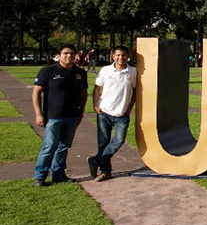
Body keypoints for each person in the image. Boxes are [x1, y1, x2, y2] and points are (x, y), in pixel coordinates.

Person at [31, 44, 88, 186]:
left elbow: (84, 94)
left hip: (72, 116)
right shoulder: (48, 71)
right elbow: (36, 92)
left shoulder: (80, 73)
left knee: (64, 147)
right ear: (59, 55)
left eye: (72, 54)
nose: (69, 56)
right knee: (49, 146)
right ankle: (40, 176)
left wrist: (81, 112)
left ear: (76, 56)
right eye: (66, 53)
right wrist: (38, 114)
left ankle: (58, 174)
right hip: (53, 116)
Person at [88, 45, 136, 181]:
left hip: (122, 114)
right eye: (118, 55)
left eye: (124, 55)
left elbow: (136, 91)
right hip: (104, 112)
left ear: (128, 56)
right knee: (103, 143)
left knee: (119, 140)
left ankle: (95, 160)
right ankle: (105, 171)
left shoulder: (132, 72)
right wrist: (95, 105)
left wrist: (130, 107)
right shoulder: (105, 70)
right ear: (113, 56)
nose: (121, 57)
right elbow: (97, 88)